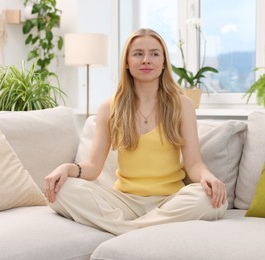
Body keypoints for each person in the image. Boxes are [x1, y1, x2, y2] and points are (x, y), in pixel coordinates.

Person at [44, 28, 228, 235]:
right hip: (124, 202)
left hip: (169, 201)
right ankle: (141, 230)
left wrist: (208, 177)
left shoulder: (182, 105)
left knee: (210, 200)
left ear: (164, 62)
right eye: (138, 54)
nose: (146, 60)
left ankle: (125, 230)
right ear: (127, 62)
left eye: (155, 54)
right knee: (61, 192)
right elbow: (93, 167)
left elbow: (194, 164)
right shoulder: (109, 107)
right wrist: (65, 168)